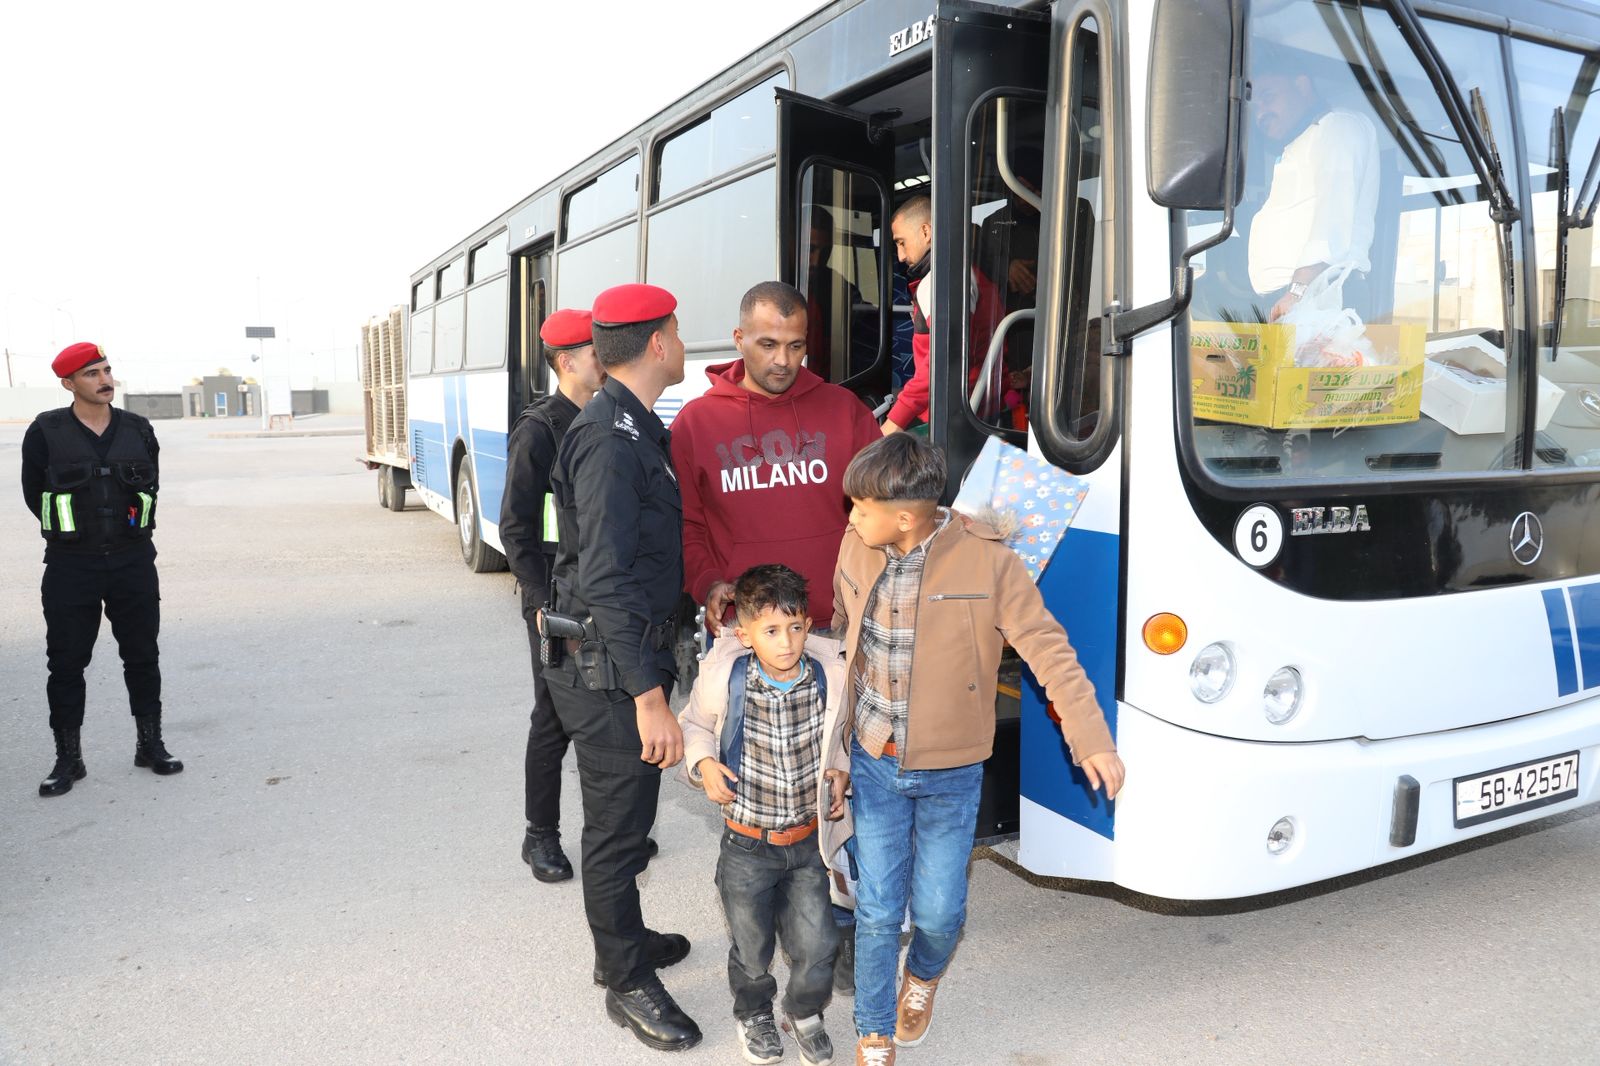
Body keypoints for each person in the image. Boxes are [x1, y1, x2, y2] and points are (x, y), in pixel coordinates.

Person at [831, 434, 1126, 1065]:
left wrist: (1090, 736)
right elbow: (844, 630)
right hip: (873, 758)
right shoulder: (857, 546)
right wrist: (835, 752)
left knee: (938, 915)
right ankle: (873, 1027)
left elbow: (1049, 649)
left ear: (905, 516)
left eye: (860, 505)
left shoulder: (989, 563)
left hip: (952, 770)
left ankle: (924, 979)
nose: (849, 515)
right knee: (880, 910)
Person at [543, 283, 699, 1052]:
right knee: (615, 832)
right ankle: (624, 977)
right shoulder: (609, 436)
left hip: (625, 655)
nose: (680, 341)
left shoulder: (630, 423)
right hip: (609, 672)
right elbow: (603, 577)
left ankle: (625, 937)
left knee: (630, 823)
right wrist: (648, 695)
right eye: (677, 330)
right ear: (660, 342)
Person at [501, 308, 657, 883]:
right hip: (556, 601)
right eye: (596, 351)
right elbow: (516, 527)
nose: (606, 358)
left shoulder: (609, 417)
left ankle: (619, 827)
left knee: (614, 707)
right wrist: (541, 604)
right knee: (555, 717)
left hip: (601, 596)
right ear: (568, 362)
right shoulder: (540, 429)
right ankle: (539, 834)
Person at [677, 564, 851, 1066]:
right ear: (745, 633)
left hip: (805, 843)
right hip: (747, 843)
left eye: (797, 628)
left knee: (819, 945)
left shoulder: (827, 676)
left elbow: (842, 740)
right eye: (771, 631)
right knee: (752, 950)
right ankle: (754, 1012)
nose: (787, 642)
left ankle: (803, 1012)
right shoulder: (726, 676)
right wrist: (703, 763)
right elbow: (696, 726)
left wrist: (841, 774)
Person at [671, 280, 881, 638]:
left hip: (841, 619)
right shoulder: (695, 423)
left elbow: (883, 506)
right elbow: (687, 525)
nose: (783, 361)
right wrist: (707, 583)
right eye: (768, 345)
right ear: (739, 339)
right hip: (747, 627)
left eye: (795, 346)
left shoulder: (845, 410)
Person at [21, 342, 181, 797]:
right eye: (91, 374)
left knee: (142, 656)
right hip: (72, 566)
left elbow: (150, 484)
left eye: (107, 370)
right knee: (67, 664)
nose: (104, 380)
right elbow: (34, 494)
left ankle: (150, 746)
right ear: (68, 383)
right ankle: (68, 759)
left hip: (133, 561)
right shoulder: (46, 432)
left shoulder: (138, 429)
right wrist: (77, 536)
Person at [1246, 64, 1379, 323]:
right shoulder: (1302, 142)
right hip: (1299, 299)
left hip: (1319, 297)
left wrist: (1298, 292)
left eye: (1268, 97)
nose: (1261, 112)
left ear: (1302, 86)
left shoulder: (1337, 126)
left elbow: (1332, 219)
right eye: (1255, 106)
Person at [882, 196, 933, 435]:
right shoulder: (974, 274)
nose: (900, 256)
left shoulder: (934, 284)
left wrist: (893, 424)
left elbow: (936, 366)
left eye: (901, 242)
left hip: (936, 413)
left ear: (925, 232)